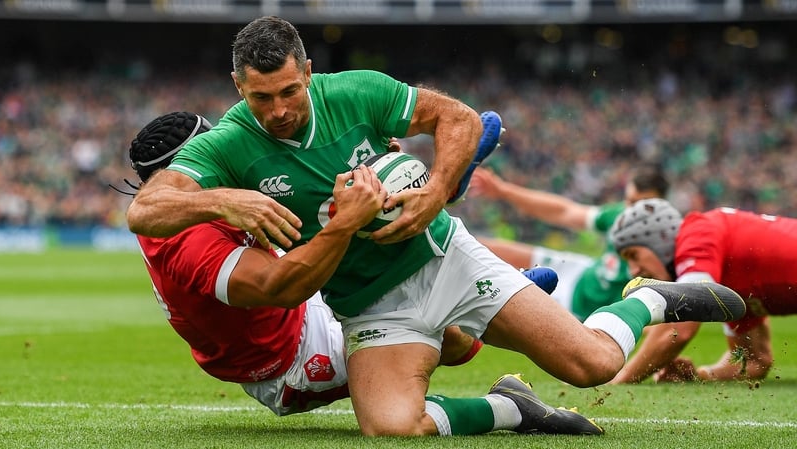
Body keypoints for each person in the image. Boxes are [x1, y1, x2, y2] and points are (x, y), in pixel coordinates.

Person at [126, 16, 746, 437]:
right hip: (370, 308)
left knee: (591, 365)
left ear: (309, 71)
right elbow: (145, 210)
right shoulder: (229, 144)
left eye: (290, 90)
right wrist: (225, 201)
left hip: (446, 258)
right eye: (263, 98)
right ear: (238, 88)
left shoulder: (355, 92)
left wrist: (438, 193)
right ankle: (511, 407)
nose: (280, 109)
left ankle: (648, 300)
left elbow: (458, 118)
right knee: (391, 430)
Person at [126, 111, 567, 415]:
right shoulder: (185, 241)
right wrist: (350, 215)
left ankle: (441, 194)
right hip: (288, 359)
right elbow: (282, 283)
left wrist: (372, 164)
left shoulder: (200, 207)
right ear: (179, 174)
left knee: (357, 226)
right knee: (447, 342)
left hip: (291, 309)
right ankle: (510, 405)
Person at [608, 198, 797, 383]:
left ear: (660, 240)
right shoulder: (730, 278)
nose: (634, 270)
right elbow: (754, 362)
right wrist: (702, 375)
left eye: (634, 255)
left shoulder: (696, 235)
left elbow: (680, 328)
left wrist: (622, 377)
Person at [468, 163, 669, 321]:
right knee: (478, 248)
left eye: (642, 204)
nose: (632, 210)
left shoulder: (668, 241)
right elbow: (564, 211)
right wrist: (503, 190)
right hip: (580, 272)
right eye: (630, 202)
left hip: (583, 312)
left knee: (494, 309)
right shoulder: (620, 215)